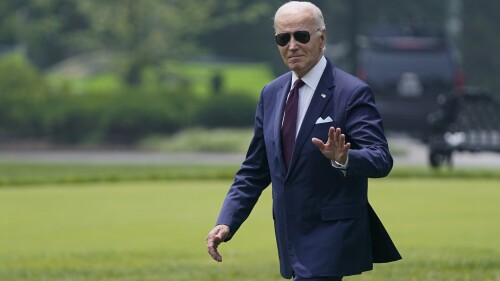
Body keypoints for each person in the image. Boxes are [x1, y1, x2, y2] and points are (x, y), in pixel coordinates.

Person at [206, 2, 401, 280]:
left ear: (323, 37)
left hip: (332, 235)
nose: (292, 45)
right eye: (283, 38)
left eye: (302, 36)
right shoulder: (271, 93)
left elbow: (380, 159)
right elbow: (254, 170)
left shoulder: (352, 92)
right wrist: (226, 221)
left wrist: (344, 158)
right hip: (289, 236)